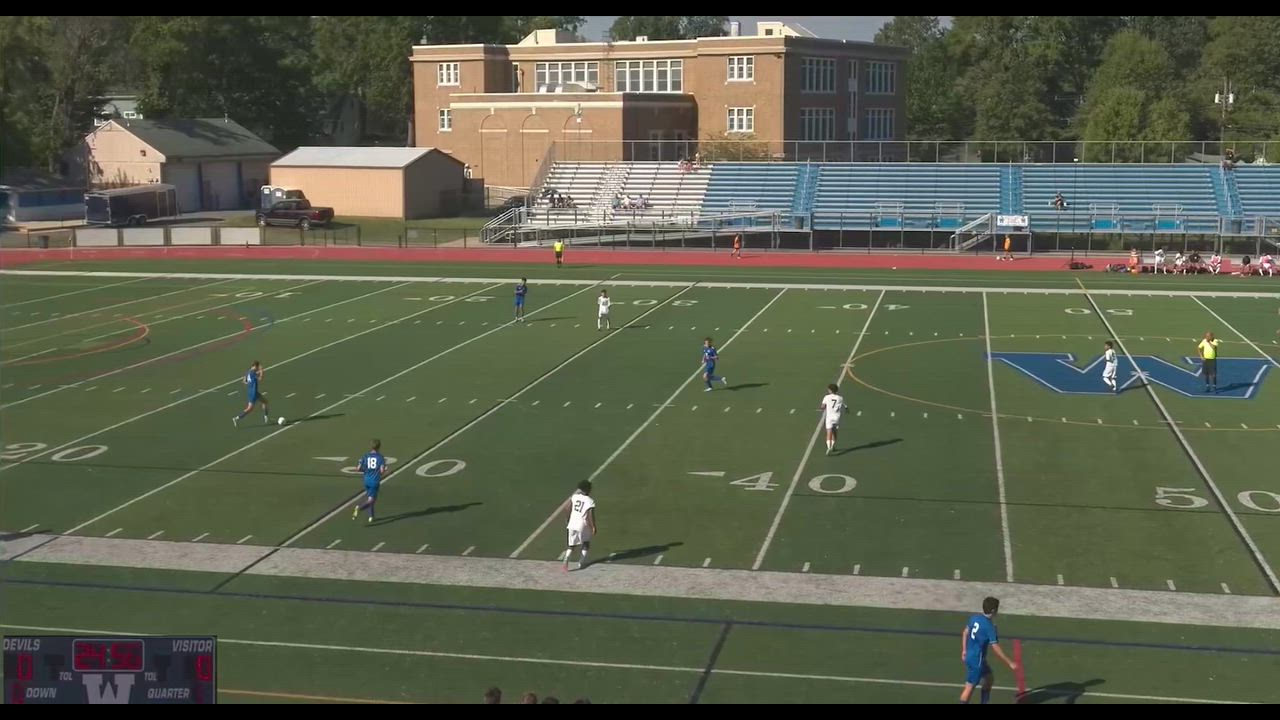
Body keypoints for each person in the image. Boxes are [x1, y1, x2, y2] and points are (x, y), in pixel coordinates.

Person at [960, 596, 1018, 704]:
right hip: (977, 661)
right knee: (969, 688)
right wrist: (1009, 662)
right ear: (993, 610)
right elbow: (995, 647)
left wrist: (964, 650)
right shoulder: (989, 627)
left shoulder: (974, 618)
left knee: (989, 678)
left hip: (972, 656)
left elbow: (965, 632)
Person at [563, 480, 596, 571]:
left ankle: (566, 558)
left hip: (572, 524)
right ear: (588, 489)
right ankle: (581, 562)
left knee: (571, 545)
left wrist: (567, 519)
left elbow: (567, 508)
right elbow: (590, 515)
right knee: (586, 543)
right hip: (582, 525)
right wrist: (593, 526)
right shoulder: (590, 501)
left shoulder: (574, 497)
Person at [351, 439, 387, 523]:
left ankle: (371, 516)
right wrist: (384, 470)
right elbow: (382, 471)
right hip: (374, 481)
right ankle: (359, 508)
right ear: (379, 447)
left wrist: (366, 470)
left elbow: (358, 468)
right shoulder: (380, 457)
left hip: (366, 480)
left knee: (370, 498)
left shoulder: (365, 456)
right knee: (371, 500)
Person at [233, 360, 271, 427]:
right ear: (255, 366)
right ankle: (236, 418)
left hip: (251, 391)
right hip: (254, 393)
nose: (258, 368)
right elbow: (260, 379)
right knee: (250, 409)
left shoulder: (248, 372)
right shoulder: (253, 373)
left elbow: (244, 381)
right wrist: (261, 371)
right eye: (258, 367)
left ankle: (266, 417)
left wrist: (250, 384)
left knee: (265, 401)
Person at [820, 383, 848, 454]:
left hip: (829, 417)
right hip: (836, 417)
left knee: (829, 432)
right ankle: (832, 445)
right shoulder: (840, 398)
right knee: (835, 432)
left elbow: (822, 406)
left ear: (830, 390)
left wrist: (824, 408)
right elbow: (845, 406)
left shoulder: (826, 397)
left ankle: (828, 447)